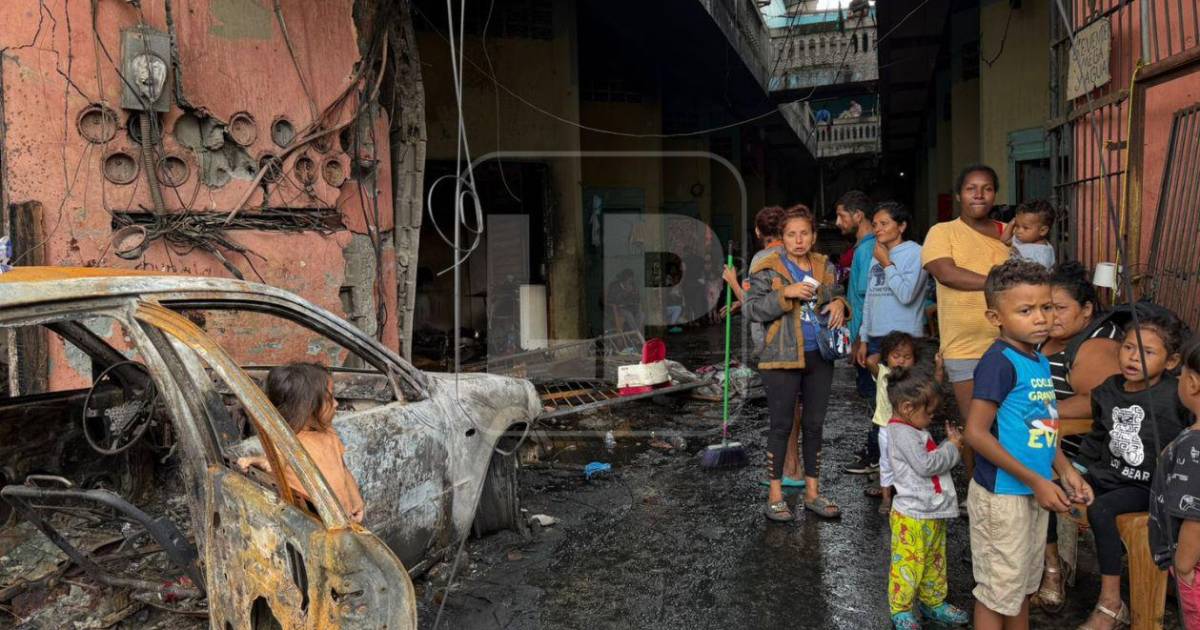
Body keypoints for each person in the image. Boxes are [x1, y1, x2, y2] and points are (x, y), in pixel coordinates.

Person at [964, 259, 1093, 630]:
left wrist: (1064, 470)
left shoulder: (1037, 358)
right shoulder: (999, 362)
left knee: (1021, 587)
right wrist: (1037, 481)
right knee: (996, 593)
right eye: (1026, 310)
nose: (1041, 318)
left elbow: (1043, 426)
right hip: (1003, 497)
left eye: (1047, 307)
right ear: (995, 317)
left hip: (1033, 492)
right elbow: (975, 432)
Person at [1070, 312, 1192, 630]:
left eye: (1147, 352)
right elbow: (1097, 435)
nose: (1134, 357)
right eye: (1128, 348)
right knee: (1049, 491)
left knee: (1101, 509)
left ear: (1171, 361)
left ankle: (1111, 602)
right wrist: (1076, 472)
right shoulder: (1109, 389)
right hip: (1107, 474)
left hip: (1146, 487)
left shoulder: (1175, 395)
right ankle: (1053, 572)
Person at [744, 205, 851, 520]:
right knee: (781, 425)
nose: (799, 240)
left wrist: (840, 304)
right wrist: (786, 294)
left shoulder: (823, 265)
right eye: (791, 234)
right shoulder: (767, 266)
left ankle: (813, 494)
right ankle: (775, 495)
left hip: (819, 356)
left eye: (804, 233)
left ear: (814, 236)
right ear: (782, 237)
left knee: (814, 425)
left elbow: (836, 292)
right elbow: (752, 309)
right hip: (780, 356)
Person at [1033, 262, 1125, 610]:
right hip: (1050, 441)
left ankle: (1052, 567)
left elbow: (1098, 401)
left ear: (1086, 310)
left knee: (1031, 473)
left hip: (1084, 452)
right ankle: (1041, 561)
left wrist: (1043, 413)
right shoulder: (1047, 335)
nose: (1049, 316)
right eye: (1045, 307)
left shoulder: (1095, 345)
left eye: (1059, 308)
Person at [922, 165, 1012, 427]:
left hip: (1012, 343)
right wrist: (1000, 283)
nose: (979, 195)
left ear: (994, 195)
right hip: (964, 347)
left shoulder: (1010, 234)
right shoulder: (942, 232)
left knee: (1012, 424)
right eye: (971, 189)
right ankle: (974, 459)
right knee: (976, 426)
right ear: (959, 195)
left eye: (987, 189)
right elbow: (946, 273)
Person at [884, 366, 970, 629]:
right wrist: (951, 448)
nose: (931, 418)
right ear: (907, 408)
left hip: (930, 511)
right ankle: (900, 609)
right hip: (912, 515)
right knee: (908, 564)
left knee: (934, 561)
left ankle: (933, 602)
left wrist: (947, 446)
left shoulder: (912, 429)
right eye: (929, 413)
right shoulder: (902, 432)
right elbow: (926, 465)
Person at [237, 363, 365, 523]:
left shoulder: (327, 433)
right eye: (330, 398)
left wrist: (357, 502)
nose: (336, 403)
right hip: (318, 526)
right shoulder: (288, 443)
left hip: (345, 520)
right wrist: (256, 461)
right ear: (307, 407)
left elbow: (343, 468)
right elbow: (273, 462)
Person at [1150, 336, 1200, 630]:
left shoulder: (1195, 446)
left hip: (1193, 566)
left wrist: (1183, 567)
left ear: (1192, 383)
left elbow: (1195, 517)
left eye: (1180, 375)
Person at [835, 189, 880, 475]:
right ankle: (876, 451)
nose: (838, 222)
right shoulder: (866, 247)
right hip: (868, 335)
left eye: (841, 216)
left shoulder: (867, 250)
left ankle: (877, 456)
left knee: (877, 398)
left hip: (868, 338)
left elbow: (867, 298)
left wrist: (860, 340)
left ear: (858, 215)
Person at [866, 331, 920, 515]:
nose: (901, 361)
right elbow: (870, 361)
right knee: (886, 462)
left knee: (909, 461)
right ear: (886, 357)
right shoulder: (883, 372)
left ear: (914, 359)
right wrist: (883, 354)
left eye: (907, 357)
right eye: (896, 356)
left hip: (909, 428)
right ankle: (886, 497)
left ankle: (908, 495)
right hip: (886, 427)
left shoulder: (913, 378)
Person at [1003, 200, 1056, 269]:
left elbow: (1039, 275)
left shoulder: (1042, 254)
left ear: (1042, 231)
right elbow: (1005, 240)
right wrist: (1012, 223)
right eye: (1017, 226)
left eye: (1025, 228)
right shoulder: (1022, 239)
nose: (1019, 231)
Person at [606, 268, 642, 334]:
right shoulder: (614, 285)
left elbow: (638, 299)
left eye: (631, 280)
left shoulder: (632, 285)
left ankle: (635, 334)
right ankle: (636, 334)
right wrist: (625, 293)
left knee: (641, 315)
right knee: (629, 315)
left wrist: (635, 294)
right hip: (617, 309)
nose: (630, 282)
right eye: (629, 280)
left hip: (630, 308)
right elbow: (610, 300)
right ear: (624, 279)